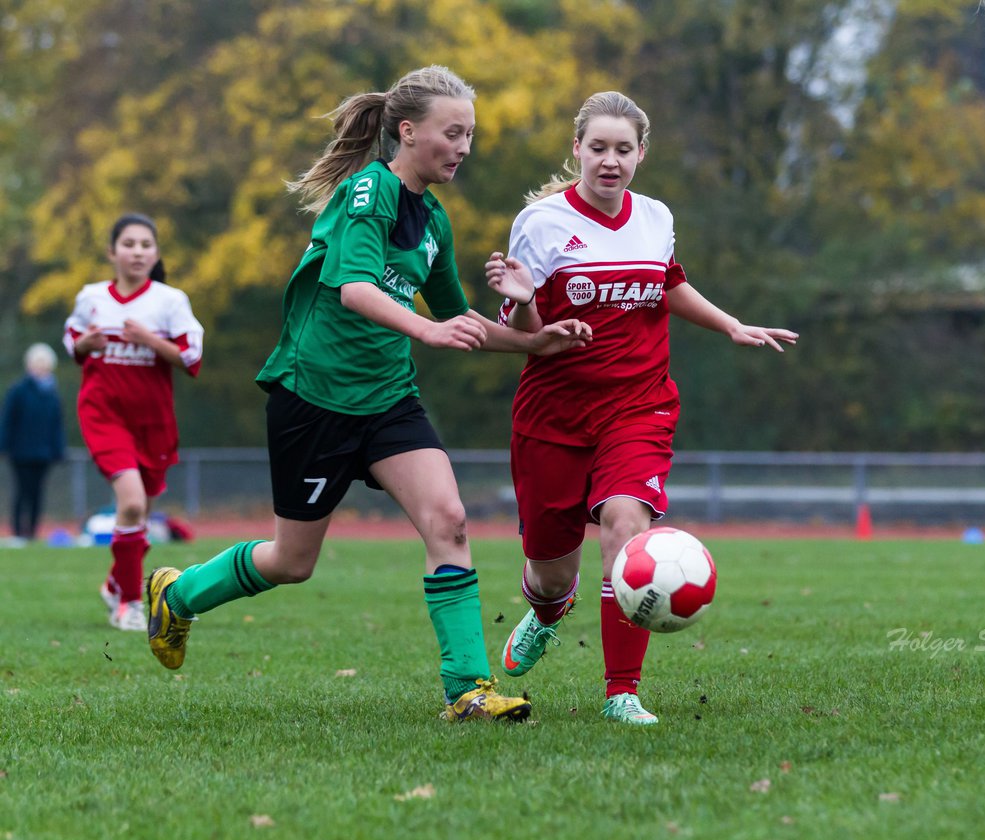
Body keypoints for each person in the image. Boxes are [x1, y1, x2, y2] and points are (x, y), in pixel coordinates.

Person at [143, 66, 591, 724]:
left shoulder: (434, 218)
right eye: (453, 132)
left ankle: (467, 690)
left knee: (450, 520)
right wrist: (427, 330)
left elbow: (459, 321)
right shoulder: (367, 192)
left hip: (388, 400)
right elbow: (355, 289)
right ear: (408, 133)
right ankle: (179, 595)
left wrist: (537, 340)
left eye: (471, 135)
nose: (465, 146)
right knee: (293, 562)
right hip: (315, 398)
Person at [484, 91, 798, 725]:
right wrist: (521, 301)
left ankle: (621, 693)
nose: (609, 161)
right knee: (549, 573)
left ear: (641, 154)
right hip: (553, 412)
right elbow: (523, 330)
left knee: (627, 529)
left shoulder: (655, 216)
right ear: (577, 149)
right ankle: (548, 612)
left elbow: (669, 283)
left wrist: (730, 324)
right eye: (597, 148)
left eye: (622, 150)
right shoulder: (542, 223)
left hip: (639, 405)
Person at [63, 214, 204, 631]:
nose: (137, 251)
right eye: (128, 244)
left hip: (154, 423)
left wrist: (151, 341)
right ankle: (128, 604)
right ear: (112, 252)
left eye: (145, 244)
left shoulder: (169, 301)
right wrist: (84, 344)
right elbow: (71, 337)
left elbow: (192, 356)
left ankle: (114, 581)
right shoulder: (91, 297)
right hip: (104, 414)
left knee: (141, 515)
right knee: (130, 504)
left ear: (155, 253)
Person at [0, 343, 66, 545]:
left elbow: (57, 425)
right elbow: (7, 420)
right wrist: (3, 445)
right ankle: (19, 532)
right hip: (20, 452)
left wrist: (57, 450)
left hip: (43, 454)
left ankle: (33, 532)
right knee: (22, 492)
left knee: (38, 493)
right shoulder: (18, 391)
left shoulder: (52, 395)